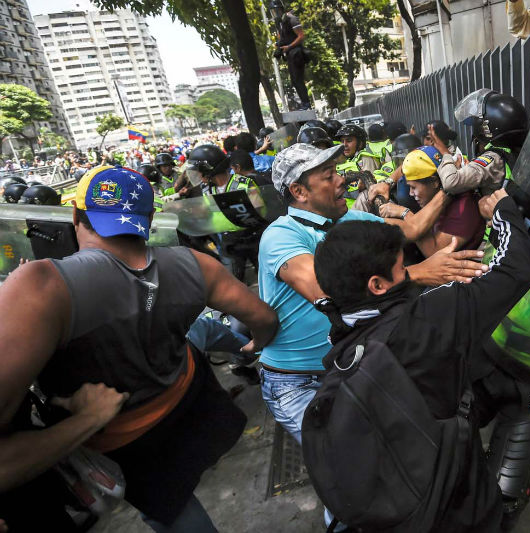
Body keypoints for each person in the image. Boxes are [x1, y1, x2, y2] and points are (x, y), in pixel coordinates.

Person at [0, 165, 278, 532]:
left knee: (171, 507)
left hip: (124, 439)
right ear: (148, 220)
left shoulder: (41, 285)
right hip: (187, 401)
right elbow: (264, 318)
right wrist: (257, 341)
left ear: (74, 217)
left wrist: (86, 420)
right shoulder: (195, 263)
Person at [309, 188, 530, 531]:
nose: (415, 270)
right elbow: (516, 269)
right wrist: (502, 210)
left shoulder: (342, 336)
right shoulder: (428, 317)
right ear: (377, 284)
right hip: (454, 506)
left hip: (396, 498)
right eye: (404, 268)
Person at [380, 146, 485, 256]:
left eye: (414, 187)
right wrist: (387, 182)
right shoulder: (438, 192)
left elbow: (432, 253)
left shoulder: (463, 207)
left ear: (434, 182)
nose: (411, 193)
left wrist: (405, 214)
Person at [186, 144, 264, 282]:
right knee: (232, 282)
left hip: (255, 238)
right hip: (230, 242)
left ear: (209, 170)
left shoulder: (245, 183)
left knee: (267, 277)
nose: (197, 175)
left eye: (199, 171)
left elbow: (261, 211)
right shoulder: (206, 189)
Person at [436, 89, 528, 196]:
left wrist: (445, 154)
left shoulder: (494, 158)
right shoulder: (519, 151)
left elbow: (450, 182)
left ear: (486, 129)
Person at [271, 0, 311, 110]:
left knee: (298, 79)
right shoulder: (279, 23)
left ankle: (306, 104)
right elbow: (282, 38)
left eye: (276, 11)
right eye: (273, 12)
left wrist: (289, 46)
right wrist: (279, 47)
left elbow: (301, 36)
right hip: (289, 54)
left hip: (297, 53)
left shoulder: (291, 19)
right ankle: (304, 103)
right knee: (294, 80)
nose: (275, 14)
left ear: (281, 9)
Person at [335, 123, 380, 208]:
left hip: (360, 211)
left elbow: (370, 189)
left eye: (349, 141)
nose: (344, 145)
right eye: (342, 141)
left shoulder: (365, 158)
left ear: (360, 143)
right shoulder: (341, 160)